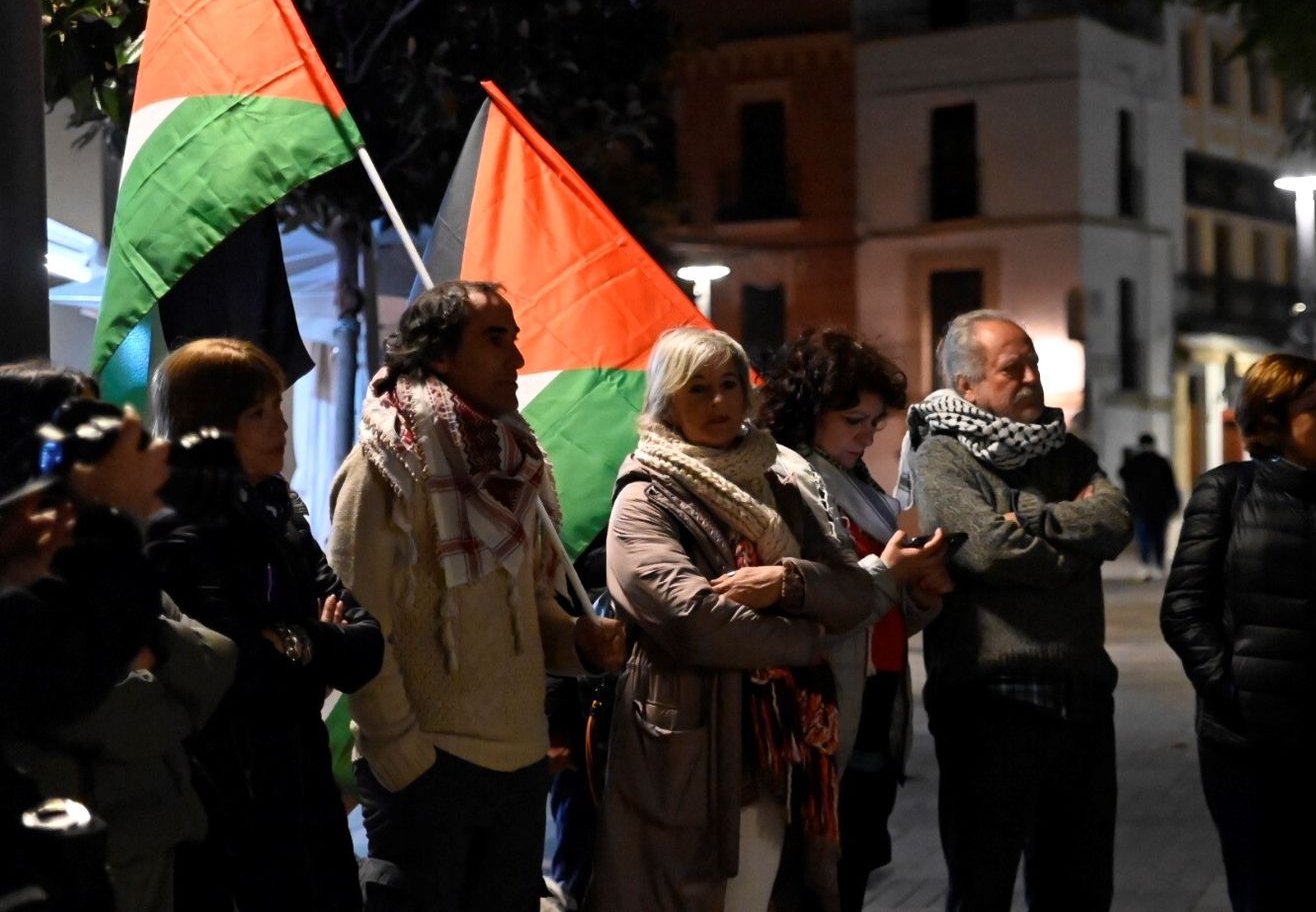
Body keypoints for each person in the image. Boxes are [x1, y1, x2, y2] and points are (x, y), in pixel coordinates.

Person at [327, 280, 626, 912]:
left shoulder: (516, 463)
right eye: (496, 339)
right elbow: (359, 626)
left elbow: (532, 606)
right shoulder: (384, 466)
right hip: (427, 768)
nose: (517, 359)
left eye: (515, 340)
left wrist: (578, 642)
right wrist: (401, 750)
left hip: (517, 766)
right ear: (439, 354)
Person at [588, 326, 878, 912]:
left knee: (764, 894)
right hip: (688, 751)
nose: (719, 402)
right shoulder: (645, 495)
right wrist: (803, 637)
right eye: (698, 389)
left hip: (780, 751)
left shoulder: (780, 480)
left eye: (729, 384)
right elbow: (693, 619)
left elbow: (853, 591)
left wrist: (788, 582)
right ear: (667, 400)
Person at [1160, 353, 1316, 911]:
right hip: (1248, 746)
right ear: (1272, 421)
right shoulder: (1225, 493)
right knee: (1262, 894)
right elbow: (1184, 608)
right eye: (1315, 408)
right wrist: (1229, 688)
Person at [898, 310, 1132, 911]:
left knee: (1079, 890)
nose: (1032, 377)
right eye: (1013, 368)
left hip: (1080, 699)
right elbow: (987, 550)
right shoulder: (942, 458)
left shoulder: (1068, 452)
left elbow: (1116, 520)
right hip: (989, 705)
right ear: (966, 386)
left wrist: (1028, 518)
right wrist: (1075, 551)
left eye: (1034, 364)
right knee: (982, 887)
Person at [146, 338, 383, 911]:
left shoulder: (280, 509)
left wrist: (298, 642)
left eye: (278, 406)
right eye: (258, 413)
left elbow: (367, 644)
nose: (280, 425)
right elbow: (238, 668)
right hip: (232, 797)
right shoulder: (179, 527)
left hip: (300, 785)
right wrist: (312, 649)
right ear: (208, 428)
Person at [0, 363, 236, 912]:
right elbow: (83, 695)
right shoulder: (38, 570)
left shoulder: (77, 556)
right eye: (83, 428)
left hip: (157, 832)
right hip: (76, 846)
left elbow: (218, 656)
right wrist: (122, 513)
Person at [759, 328, 951, 912]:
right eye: (853, 421)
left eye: (874, 423)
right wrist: (890, 571)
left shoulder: (856, 482)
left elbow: (881, 611)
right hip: (830, 703)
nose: (868, 437)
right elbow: (820, 605)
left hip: (877, 695)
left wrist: (921, 590)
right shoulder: (789, 479)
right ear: (811, 413)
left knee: (858, 855)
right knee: (821, 868)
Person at [1119, 433, 1180, 580]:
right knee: (1159, 537)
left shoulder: (1135, 461)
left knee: (1143, 537)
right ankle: (1159, 565)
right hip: (1160, 507)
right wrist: (1175, 504)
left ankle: (1145, 564)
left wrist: (1127, 457)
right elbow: (1171, 485)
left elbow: (1123, 475)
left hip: (1140, 507)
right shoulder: (1162, 461)